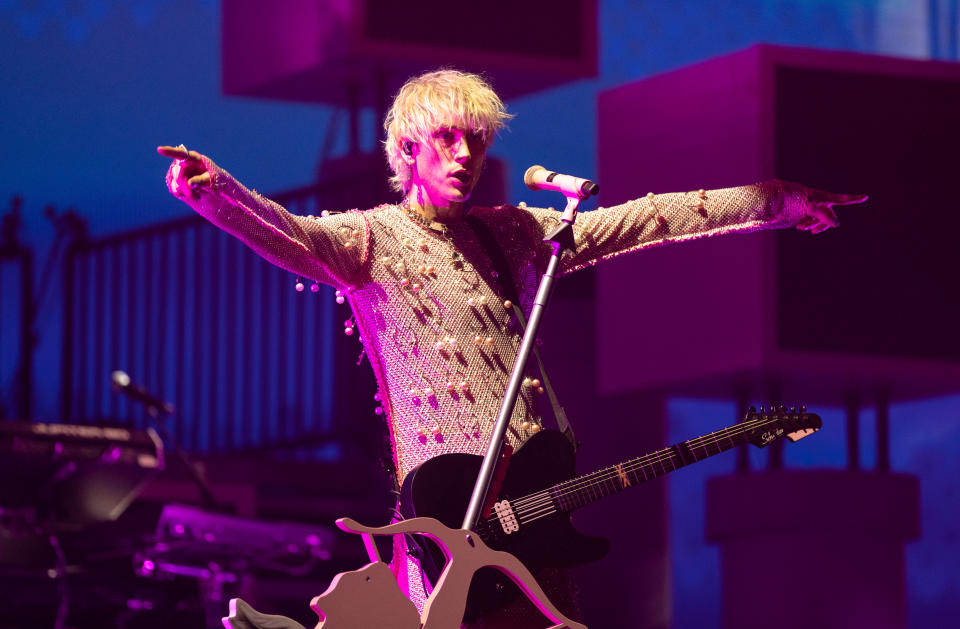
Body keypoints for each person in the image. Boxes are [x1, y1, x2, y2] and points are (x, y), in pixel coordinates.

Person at [159, 69, 865, 627]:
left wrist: (773, 201)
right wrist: (214, 190)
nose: (466, 155)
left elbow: (649, 219)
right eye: (448, 139)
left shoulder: (516, 232)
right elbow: (292, 236)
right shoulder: (372, 237)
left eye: (477, 141)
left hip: (535, 508)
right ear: (408, 148)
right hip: (447, 517)